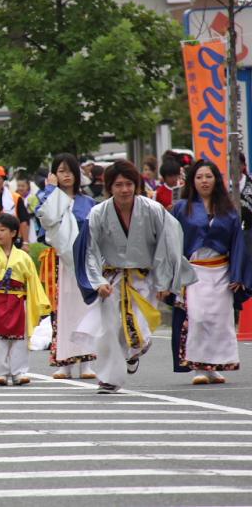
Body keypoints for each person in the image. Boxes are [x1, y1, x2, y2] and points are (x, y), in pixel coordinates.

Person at [73, 160, 196, 394]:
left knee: (138, 331)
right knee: (110, 327)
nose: (124, 190)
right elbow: (89, 249)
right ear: (110, 187)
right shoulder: (98, 213)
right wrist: (97, 282)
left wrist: (164, 281)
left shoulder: (153, 209)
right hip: (112, 277)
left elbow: (168, 245)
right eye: (118, 185)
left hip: (144, 278)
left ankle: (132, 354)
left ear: (137, 185)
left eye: (129, 184)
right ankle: (109, 378)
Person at [171, 160, 252, 384]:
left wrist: (238, 275)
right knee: (197, 317)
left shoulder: (228, 210)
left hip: (221, 271)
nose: (204, 181)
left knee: (220, 320)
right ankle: (198, 365)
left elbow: (238, 244)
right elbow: (172, 242)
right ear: (192, 181)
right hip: (193, 271)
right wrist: (172, 275)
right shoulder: (182, 208)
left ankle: (214, 365)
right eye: (199, 177)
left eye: (208, 176)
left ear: (216, 179)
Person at [35, 153, 98, 380]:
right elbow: (46, 219)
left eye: (70, 171)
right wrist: (51, 190)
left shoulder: (88, 202)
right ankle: (64, 361)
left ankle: (86, 361)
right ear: (54, 174)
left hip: (83, 260)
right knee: (60, 311)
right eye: (61, 171)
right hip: (58, 261)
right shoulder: (47, 197)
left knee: (85, 309)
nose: (66, 175)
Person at [0, 214, 50, 386]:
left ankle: (19, 372)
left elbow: (33, 282)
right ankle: (0, 372)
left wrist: (36, 305)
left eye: (2, 230)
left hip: (18, 302)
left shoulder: (23, 257)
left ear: (14, 232)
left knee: (20, 339)